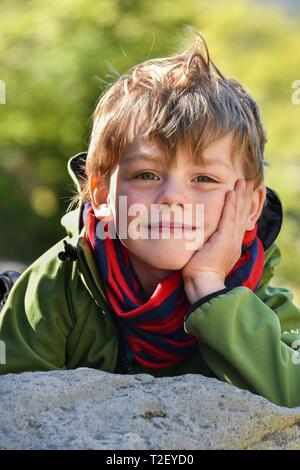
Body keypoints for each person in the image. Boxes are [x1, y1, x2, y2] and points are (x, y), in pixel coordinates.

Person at [1, 29, 300, 408]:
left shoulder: (262, 304)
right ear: (101, 194)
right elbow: (14, 402)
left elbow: (294, 393)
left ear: (251, 207)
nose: (172, 197)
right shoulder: (59, 284)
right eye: (147, 175)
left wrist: (212, 289)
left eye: (204, 179)